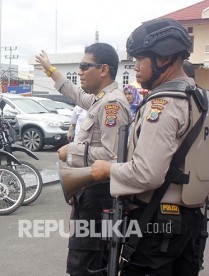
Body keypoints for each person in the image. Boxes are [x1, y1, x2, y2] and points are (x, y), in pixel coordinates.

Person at [91, 18, 205, 275]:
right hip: (192, 222)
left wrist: (108, 169)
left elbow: (147, 173)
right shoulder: (200, 99)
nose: (136, 67)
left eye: (141, 59)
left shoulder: (163, 105)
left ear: (165, 59)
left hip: (157, 224)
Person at [36, 43, 131, 275]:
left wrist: (73, 150)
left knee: (86, 265)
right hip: (90, 191)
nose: (79, 71)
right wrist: (51, 71)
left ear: (103, 69)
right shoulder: (101, 99)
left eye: (84, 66)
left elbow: (113, 155)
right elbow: (75, 94)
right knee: (82, 260)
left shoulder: (112, 104)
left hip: (99, 196)